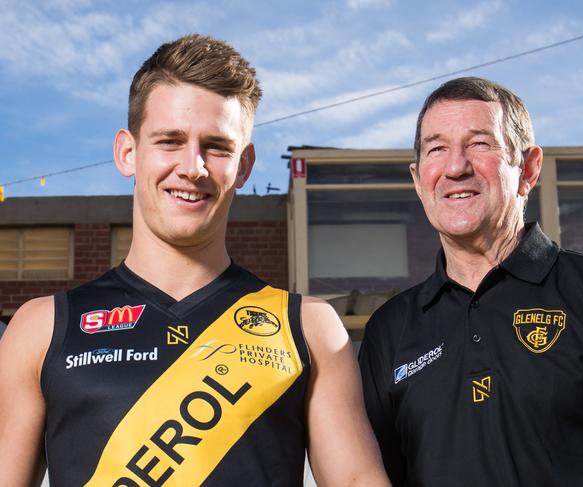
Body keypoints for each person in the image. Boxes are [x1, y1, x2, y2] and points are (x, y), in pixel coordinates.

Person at [0, 34, 389, 487]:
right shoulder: (40, 328)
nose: (193, 167)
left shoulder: (309, 327)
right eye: (170, 140)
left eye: (217, 147)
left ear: (244, 166)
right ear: (128, 152)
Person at [359, 76, 583, 486]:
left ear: (528, 168)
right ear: (418, 179)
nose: (455, 167)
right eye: (437, 149)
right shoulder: (388, 331)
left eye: (480, 143)